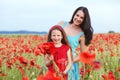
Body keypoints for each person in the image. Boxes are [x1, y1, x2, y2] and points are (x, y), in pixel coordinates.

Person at [57, 6, 94, 80]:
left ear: (84, 20)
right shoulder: (61, 24)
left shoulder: (82, 34)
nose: (78, 19)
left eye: (81, 18)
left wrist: (70, 61)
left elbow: (83, 55)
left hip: (70, 64)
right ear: (74, 14)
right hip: (56, 59)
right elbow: (51, 38)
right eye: (77, 15)